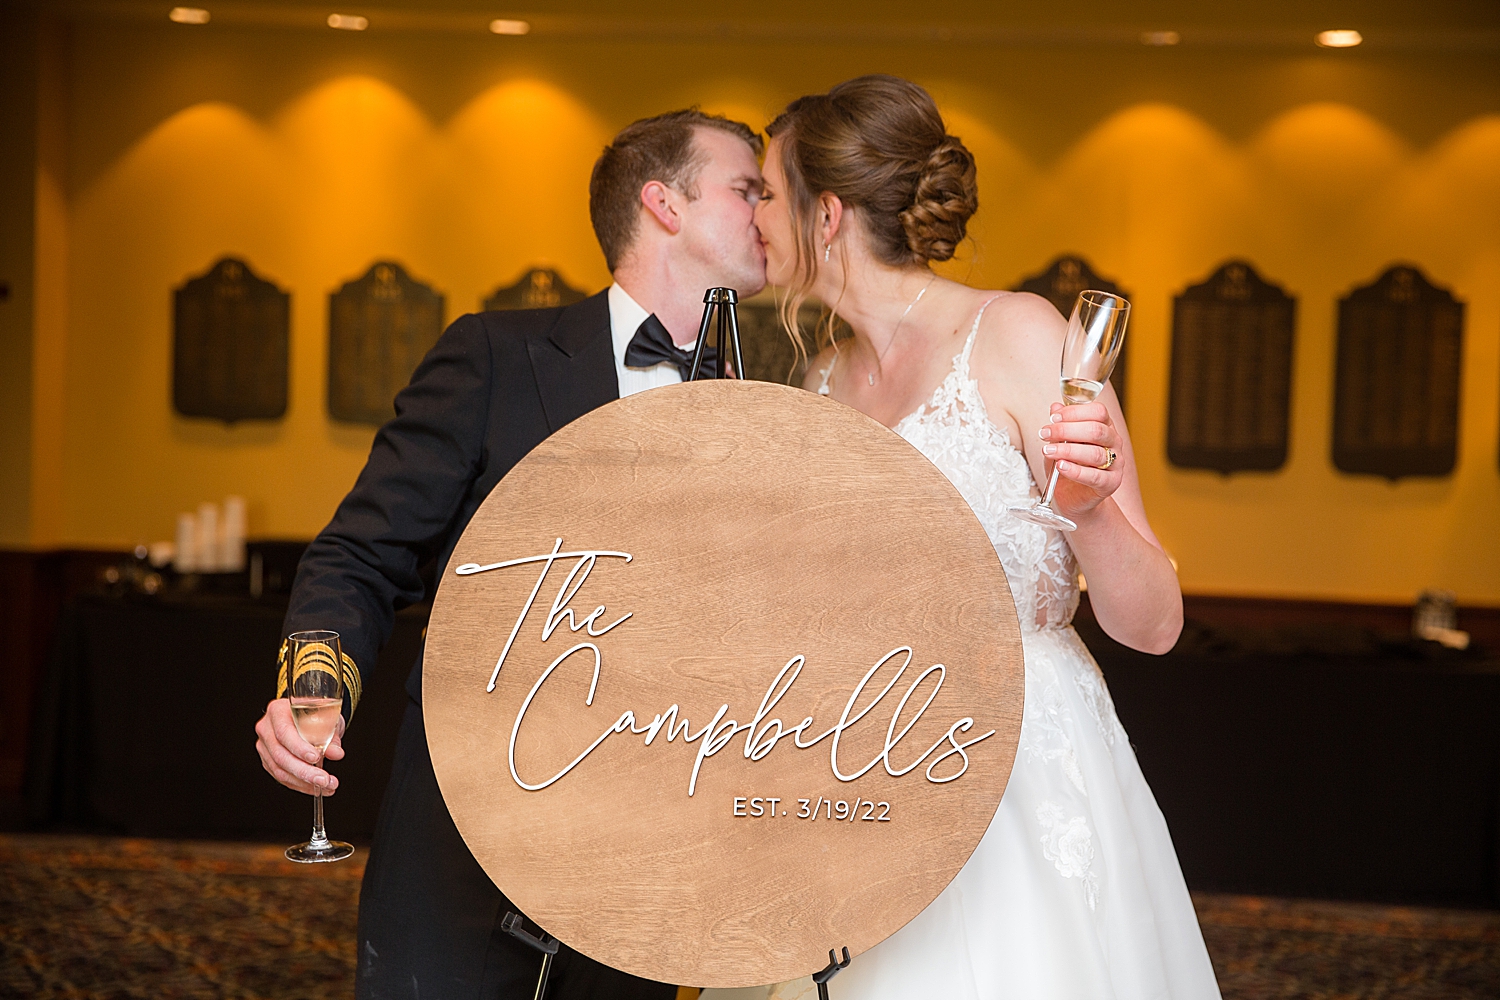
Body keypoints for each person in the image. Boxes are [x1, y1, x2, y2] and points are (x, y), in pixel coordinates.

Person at [252, 108, 767, 1000]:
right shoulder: (495, 355)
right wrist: (313, 685)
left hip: (650, 855)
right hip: (465, 836)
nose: (771, 210)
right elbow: (363, 554)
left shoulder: (776, 405)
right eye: (747, 188)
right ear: (664, 205)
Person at [744, 75, 1222, 999]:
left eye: (768, 192)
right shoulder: (821, 386)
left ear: (828, 215)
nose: (755, 215)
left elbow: (1154, 623)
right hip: (863, 771)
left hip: (1017, 768)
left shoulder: (1018, 335)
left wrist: (1087, 510)